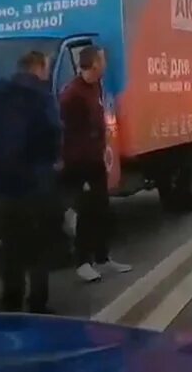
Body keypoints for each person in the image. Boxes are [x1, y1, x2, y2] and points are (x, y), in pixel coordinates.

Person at [0, 50, 62, 313]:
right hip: (35, 183)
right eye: (46, 68)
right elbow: (54, 132)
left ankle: (11, 300)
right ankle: (38, 303)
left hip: (4, 185)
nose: (47, 73)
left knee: (11, 247)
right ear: (37, 67)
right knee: (39, 247)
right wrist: (53, 160)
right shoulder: (42, 97)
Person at [60, 45, 131, 282]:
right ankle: (82, 262)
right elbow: (66, 132)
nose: (106, 64)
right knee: (87, 212)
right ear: (94, 64)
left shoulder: (95, 87)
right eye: (102, 60)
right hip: (79, 162)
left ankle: (103, 258)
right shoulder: (72, 94)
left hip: (95, 159)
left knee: (102, 210)